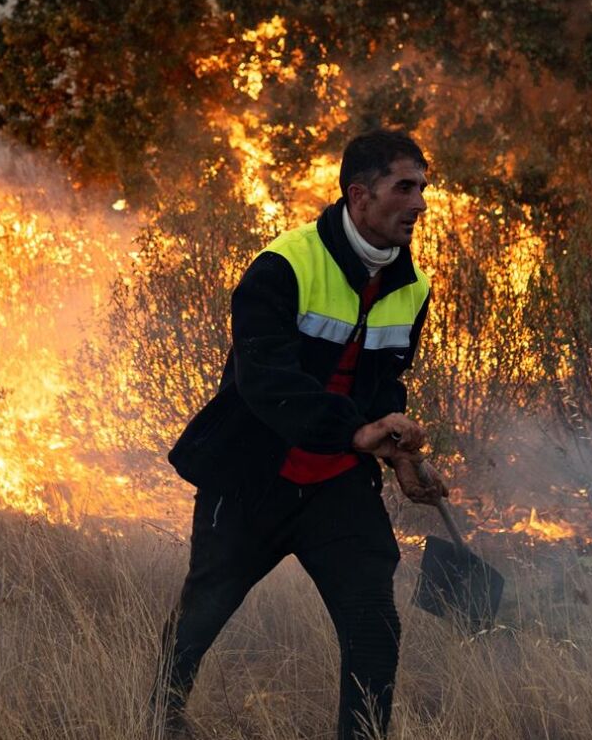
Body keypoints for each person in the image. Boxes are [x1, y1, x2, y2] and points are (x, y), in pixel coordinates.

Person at [153, 129, 448, 740]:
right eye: (404, 187)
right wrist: (358, 431)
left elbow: (384, 382)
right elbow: (264, 380)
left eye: (423, 187)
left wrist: (397, 454)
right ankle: (158, 720)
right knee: (200, 618)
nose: (419, 203)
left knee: (374, 627)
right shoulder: (283, 265)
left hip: (337, 486)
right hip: (253, 476)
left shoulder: (413, 286)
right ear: (360, 196)